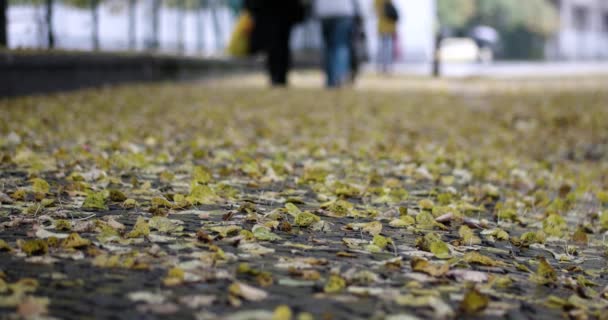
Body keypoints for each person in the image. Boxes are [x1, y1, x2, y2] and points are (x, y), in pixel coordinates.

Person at [244, 0, 306, 86]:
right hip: (280, 11)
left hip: (276, 11)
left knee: (276, 45)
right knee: (279, 45)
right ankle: (278, 75)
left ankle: (277, 75)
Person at [314, 0, 356, 88]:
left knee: (329, 47)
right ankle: (339, 77)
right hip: (343, 10)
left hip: (324, 10)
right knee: (341, 45)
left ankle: (330, 79)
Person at [374, 0, 398, 73]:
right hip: (389, 27)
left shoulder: (377, 2)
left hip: (382, 27)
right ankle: (386, 66)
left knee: (381, 48)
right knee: (387, 48)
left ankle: (380, 66)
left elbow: (375, 11)